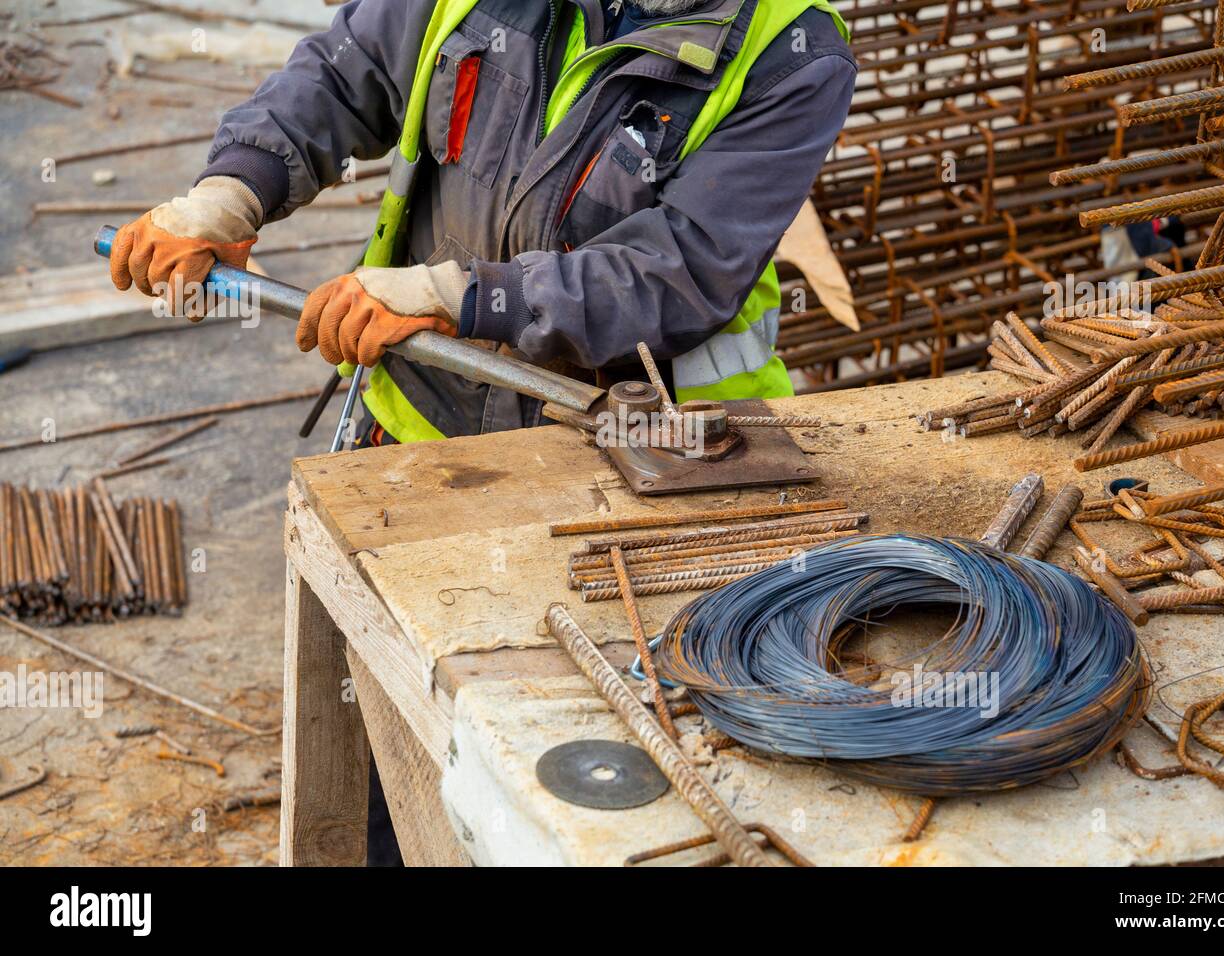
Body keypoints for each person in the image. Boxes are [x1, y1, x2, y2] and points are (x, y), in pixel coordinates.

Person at [106, 0, 856, 863]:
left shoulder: (790, 47)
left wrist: (464, 297)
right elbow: (348, 71)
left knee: (587, 782)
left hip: (637, 482)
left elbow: (679, 269)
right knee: (396, 753)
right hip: (425, 443)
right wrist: (233, 189)